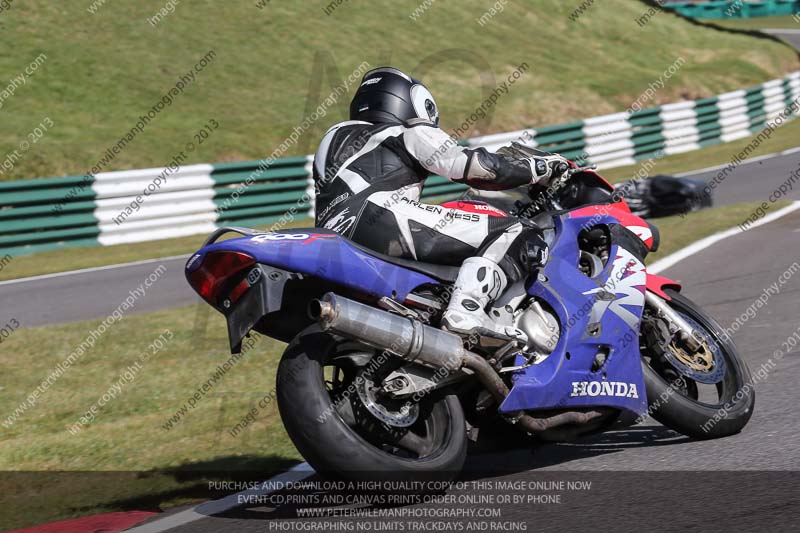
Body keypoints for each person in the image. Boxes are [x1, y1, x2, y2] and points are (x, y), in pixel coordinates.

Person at [312, 66, 569, 339]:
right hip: (382, 217)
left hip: (331, 233)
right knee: (516, 231)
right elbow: (475, 167)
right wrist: (538, 168)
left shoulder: (334, 139)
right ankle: (467, 310)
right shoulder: (405, 130)